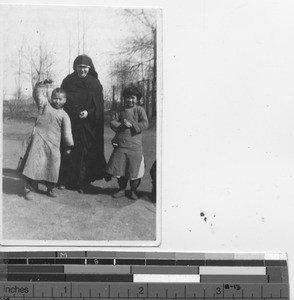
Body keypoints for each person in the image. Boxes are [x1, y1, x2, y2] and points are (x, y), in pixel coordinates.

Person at [59, 54, 107, 193]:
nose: (82, 70)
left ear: (90, 67)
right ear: (75, 67)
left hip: (88, 125)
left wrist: (89, 112)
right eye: (80, 67)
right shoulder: (68, 81)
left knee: (85, 154)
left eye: (85, 67)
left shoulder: (95, 83)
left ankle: (81, 183)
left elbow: (99, 105)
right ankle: (64, 180)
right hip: (71, 123)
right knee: (68, 151)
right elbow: (62, 100)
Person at [18, 87, 74, 200]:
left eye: (60, 99)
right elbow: (39, 96)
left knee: (53, 166)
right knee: (34, 164)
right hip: (38, 142)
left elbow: (67, 132)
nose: (57, 101)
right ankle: (30, 189)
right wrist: (40, 87)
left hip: (53, 145)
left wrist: (68, 146)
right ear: (50, 98)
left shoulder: (64, 115)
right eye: (54, 98)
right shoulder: (45, 106)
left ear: (65, 100)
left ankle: (50, 188)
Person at [106, 86, 148, 200]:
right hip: (121, 145)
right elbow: (112, 122)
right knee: (121, 169)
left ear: (137, 99)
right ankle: (122, 189)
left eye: (132, 98)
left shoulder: (140, 110)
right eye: (128, 98)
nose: (130, 100)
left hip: (135, 147)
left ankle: (133, 191)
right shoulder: (120, 110)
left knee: (134, 170)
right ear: (124, 98)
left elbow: (145, 123)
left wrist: (133, 125)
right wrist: (121, 125)